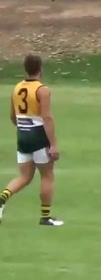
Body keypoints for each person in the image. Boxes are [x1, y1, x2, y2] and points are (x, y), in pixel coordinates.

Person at [0, 54, 63, 226]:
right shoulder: (42, 90)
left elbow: (13, 116)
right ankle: (45, 216)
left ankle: (2, 198)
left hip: (22, 135)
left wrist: (24, 128)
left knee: (25, 176)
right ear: (40, 68)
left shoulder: (17, 87)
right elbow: (47, 117)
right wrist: (53, 144)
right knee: (47, 175)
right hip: (38, 135)